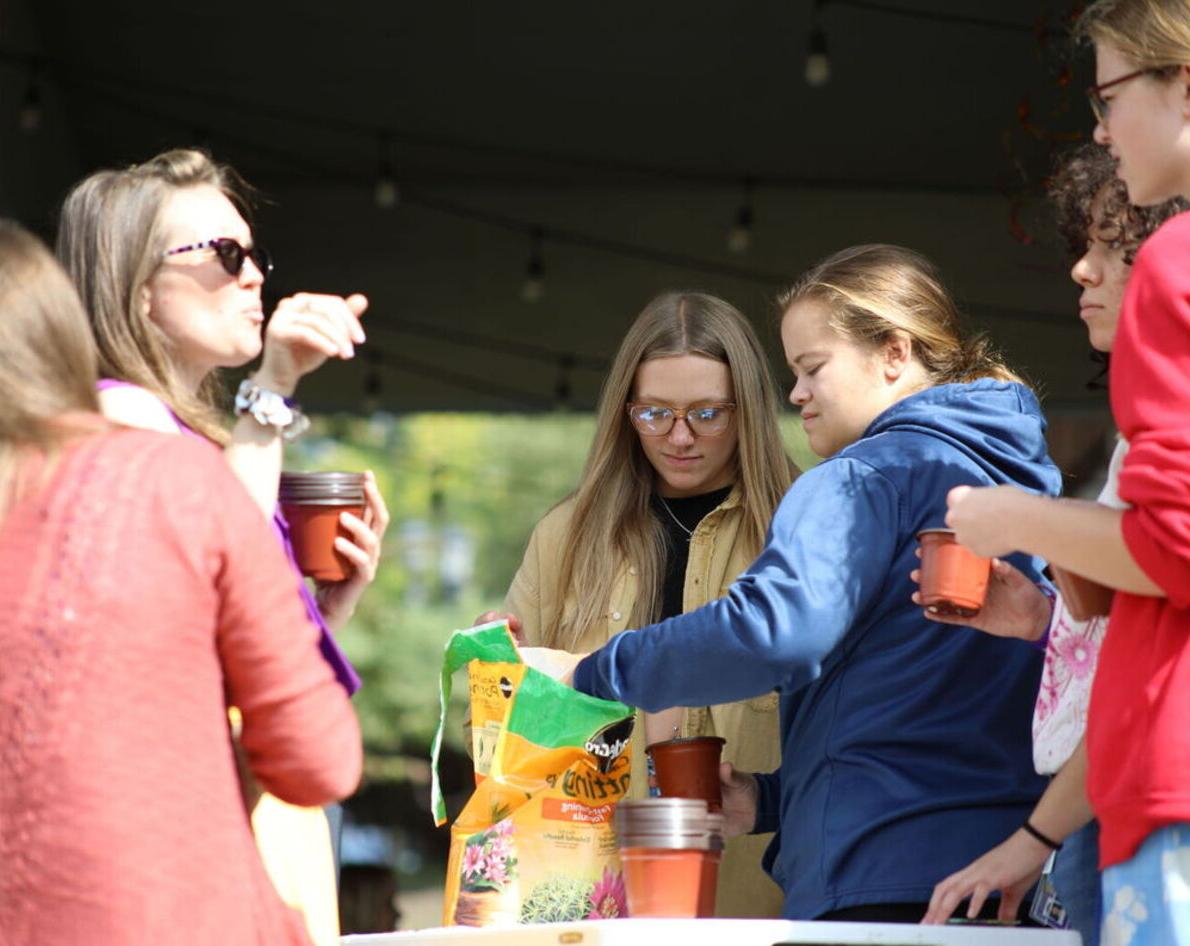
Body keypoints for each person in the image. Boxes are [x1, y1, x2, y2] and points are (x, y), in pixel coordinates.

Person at [524, 245, 1062, 921]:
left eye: (813, 368)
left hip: (875, 880)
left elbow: (773, 631)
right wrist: (772, 799)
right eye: (793, 373)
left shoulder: (860, 476)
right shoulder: (1021, 484)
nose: (798, 394)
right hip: (1005, 874)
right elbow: (930, 712)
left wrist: (592, 672)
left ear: (895, 354)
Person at [55, 148, 389, 946]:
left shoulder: (185, 434)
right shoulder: (120, 419)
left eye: (256, 256)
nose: (254, 278)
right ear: (137, 291)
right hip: (193, 840)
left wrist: (317, 613)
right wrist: (271, 389)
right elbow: (213, 580)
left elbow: (229, 652)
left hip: (243, 815)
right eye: (226, 256)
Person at [945, 4, 1190, 943]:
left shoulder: (1177, 261)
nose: (1098, 127)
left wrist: (1012, 516)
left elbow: (1172, 546)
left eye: (1109, 94)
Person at [479, 291, 795, 917]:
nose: (679, 438)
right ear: (625, 411)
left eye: (707, 413)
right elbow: (487, 743)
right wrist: (498, 674)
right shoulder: (565, 535)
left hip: (757, 910)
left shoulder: (803, 527)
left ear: (751, 410)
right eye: (654, 414)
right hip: (580, 900)